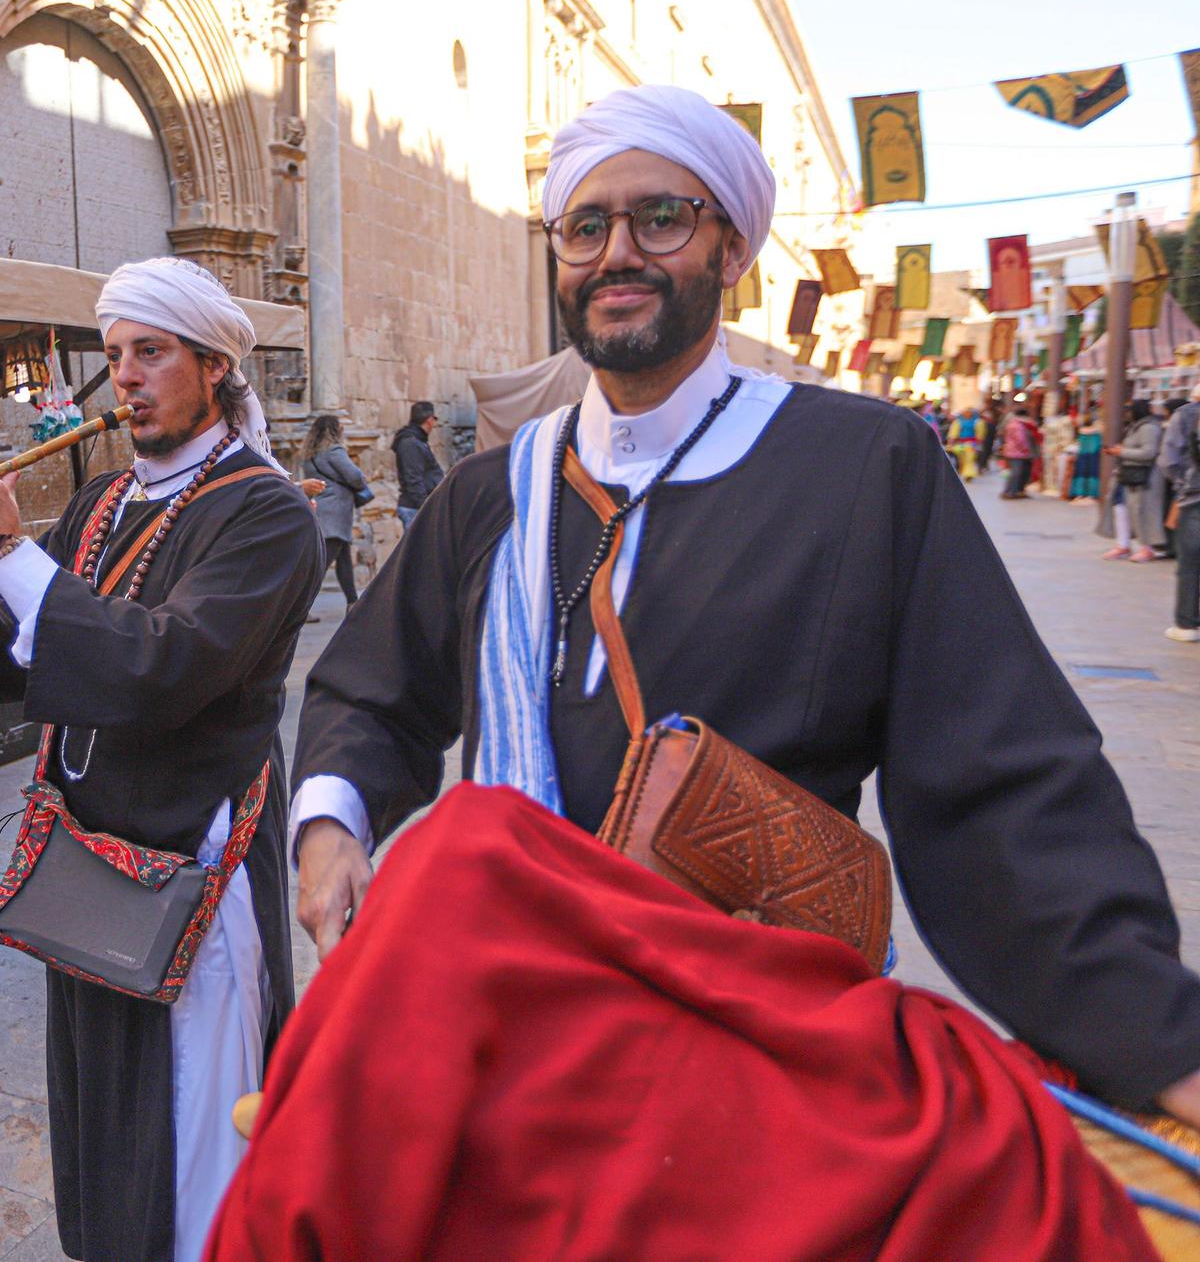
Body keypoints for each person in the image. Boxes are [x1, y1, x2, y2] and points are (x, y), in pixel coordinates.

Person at [287, 84, 1200, 1154]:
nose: (615, 251)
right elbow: (370, 689)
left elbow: (1002, 780)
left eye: (658, 218)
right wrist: (327, 823)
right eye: (584, 227)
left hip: (757, 1061)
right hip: (511, 1044)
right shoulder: (492, 494)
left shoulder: (865, 465)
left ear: (730, 250)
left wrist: (1157, 1038)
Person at [0, 256, 321, 1262]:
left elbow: (160, 667)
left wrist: (9, 551)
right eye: (113, 355)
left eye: (149, 352)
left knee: (194, 1116)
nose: (123, 377)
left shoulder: (265, 512)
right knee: (107, 1106)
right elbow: (17, 654)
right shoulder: (104, 499)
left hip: (189, 860)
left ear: (212, 366)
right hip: (90, 858)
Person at [298, 414, 370, 609]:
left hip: (322, 510)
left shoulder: (310, 455)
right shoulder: (334, 451)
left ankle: (353, 603)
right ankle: (295, 606)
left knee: (344, 558)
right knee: (321, 565)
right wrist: (362, 478)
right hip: (335, 514)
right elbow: (355, 477)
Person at [1102, 399, 1165, 562]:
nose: (1127, 414)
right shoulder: (1136, 427)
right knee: (1120, 507)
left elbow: (1149, 452)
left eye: (1129, 410)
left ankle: (1146, 547)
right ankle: (1123, 545)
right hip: (1129, 475)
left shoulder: (1148, 428)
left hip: (1143, 476)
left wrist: (1122, 451)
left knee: (1141, 511)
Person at [1162, 381, 1200, 643]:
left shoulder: (1185, 415)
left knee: (1189, 563)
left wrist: (1182, 484)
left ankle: (1186, 625)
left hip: (1194, 497)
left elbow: (1168, 459)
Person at [392, 401, 444, 530]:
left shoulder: (418, 441)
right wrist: (425, 506)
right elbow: (413, 478)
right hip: (415, 508)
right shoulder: (410, 443)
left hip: (419, 507)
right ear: (429, 420)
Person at [998, 402, 1037, 498]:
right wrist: (1026, 449)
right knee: (1016, 473)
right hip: (1017, 453)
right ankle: (1011, 492)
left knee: (1014, 473)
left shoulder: (1012, 424)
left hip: (1011, 451)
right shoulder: (1018, 426)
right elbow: (1020, 440)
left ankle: (1009, 491)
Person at [1042, 396, 1077, 497]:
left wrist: (1062, 445)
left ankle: (1054, 486)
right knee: (1050, 468)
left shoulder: (1063, 421)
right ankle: (1051, 485)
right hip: (1050, 447)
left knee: (1055, 468)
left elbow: (1066, 436)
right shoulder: (1054, 421)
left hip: (1056, 447)